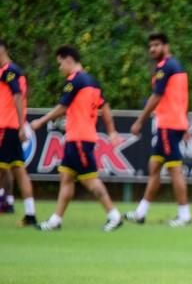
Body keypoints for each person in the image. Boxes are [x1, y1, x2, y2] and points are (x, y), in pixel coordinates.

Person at [30, 45, 123, 232]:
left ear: (68, 60)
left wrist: (41, 120)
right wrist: (111, 131)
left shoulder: (73, 81)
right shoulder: (92, 82)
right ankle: (56, 220)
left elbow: (62, 107)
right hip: (80, 137)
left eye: (60, 64)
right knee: (66, 177)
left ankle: (114, 215)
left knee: (90, 181)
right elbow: (104, 107)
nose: (60, 68)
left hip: (79, 138)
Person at [123, 33, 191, 227]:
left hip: (168, 125)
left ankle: (184, 215)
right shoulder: (176, 66)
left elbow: (156, 96)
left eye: (157, 45)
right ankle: (140, 213)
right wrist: (185, 123)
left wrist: (139, 121)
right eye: (150, 46)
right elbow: (181, 98)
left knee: (174, 170)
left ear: (166, 46)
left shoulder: (165, 67)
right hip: (170, 124)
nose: (152, 49)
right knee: (154, 167)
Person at [0, 39, 37, 225]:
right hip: (11, 127)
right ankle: (30, 213)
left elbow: (17, 97)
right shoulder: (12, 71)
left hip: (7, 127)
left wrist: (21, 125)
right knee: (19, 170)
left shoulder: (9, 71)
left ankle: (5, 201)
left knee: (9, 169)